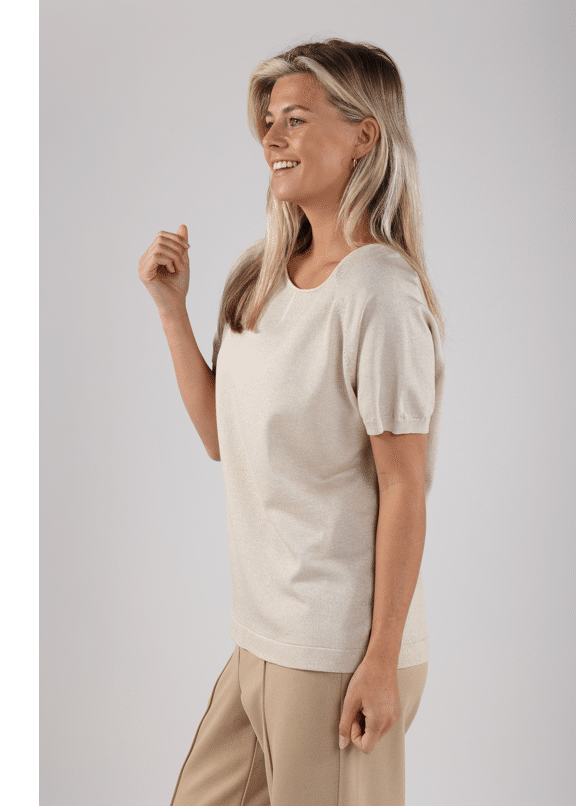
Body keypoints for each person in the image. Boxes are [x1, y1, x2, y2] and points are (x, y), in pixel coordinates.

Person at [138, 37, 445, 806]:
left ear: (364, 135)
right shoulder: (262, 274)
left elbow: (404, 486)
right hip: (261, 637)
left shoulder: (377, 292)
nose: (271, 136)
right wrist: (172, 310)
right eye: (269, 120)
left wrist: (380, 662)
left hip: (336, 652)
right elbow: (222, 439)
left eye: (296, 119)